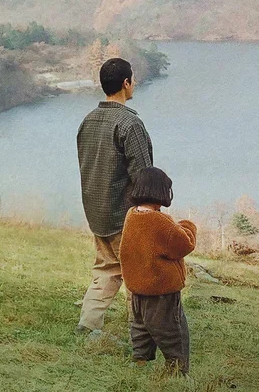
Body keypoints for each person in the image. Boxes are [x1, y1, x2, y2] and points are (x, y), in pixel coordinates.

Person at [76, 57, 153, 333]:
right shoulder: (129, 124)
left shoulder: (88, 121)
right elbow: (144, 178)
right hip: (124, 216)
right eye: (133, 79)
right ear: (126, 83)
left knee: (106, 269)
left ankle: (88, 324)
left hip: (97, 213)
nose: (135, 83)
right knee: (137, 274)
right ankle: (140, 333)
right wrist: (151, 217)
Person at [120, 167, 196, 375]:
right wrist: (188, 226)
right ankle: (178, 372)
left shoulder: (131, 215)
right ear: (161, 191)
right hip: (161, 290)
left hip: (138, 289)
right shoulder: (160, 222)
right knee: (173, 331)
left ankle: (139, 363)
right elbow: (184, 245)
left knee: (141, 328)